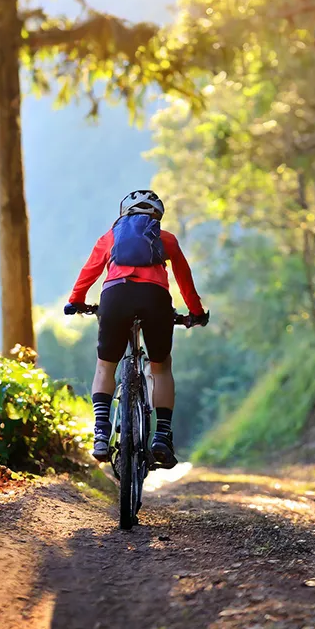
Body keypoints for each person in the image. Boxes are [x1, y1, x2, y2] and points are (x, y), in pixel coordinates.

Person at [64, 190, 208, 469]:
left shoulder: (110, 237)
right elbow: (184, 280)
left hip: (115, 298)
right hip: (155, 300)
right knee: (160, 367)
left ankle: (102, 432)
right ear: (157, 216)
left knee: (106, 366)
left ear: (124, 214)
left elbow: (90, 271)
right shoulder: (166, 239)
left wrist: (75, 301)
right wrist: (196, 313)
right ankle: (162, 436)